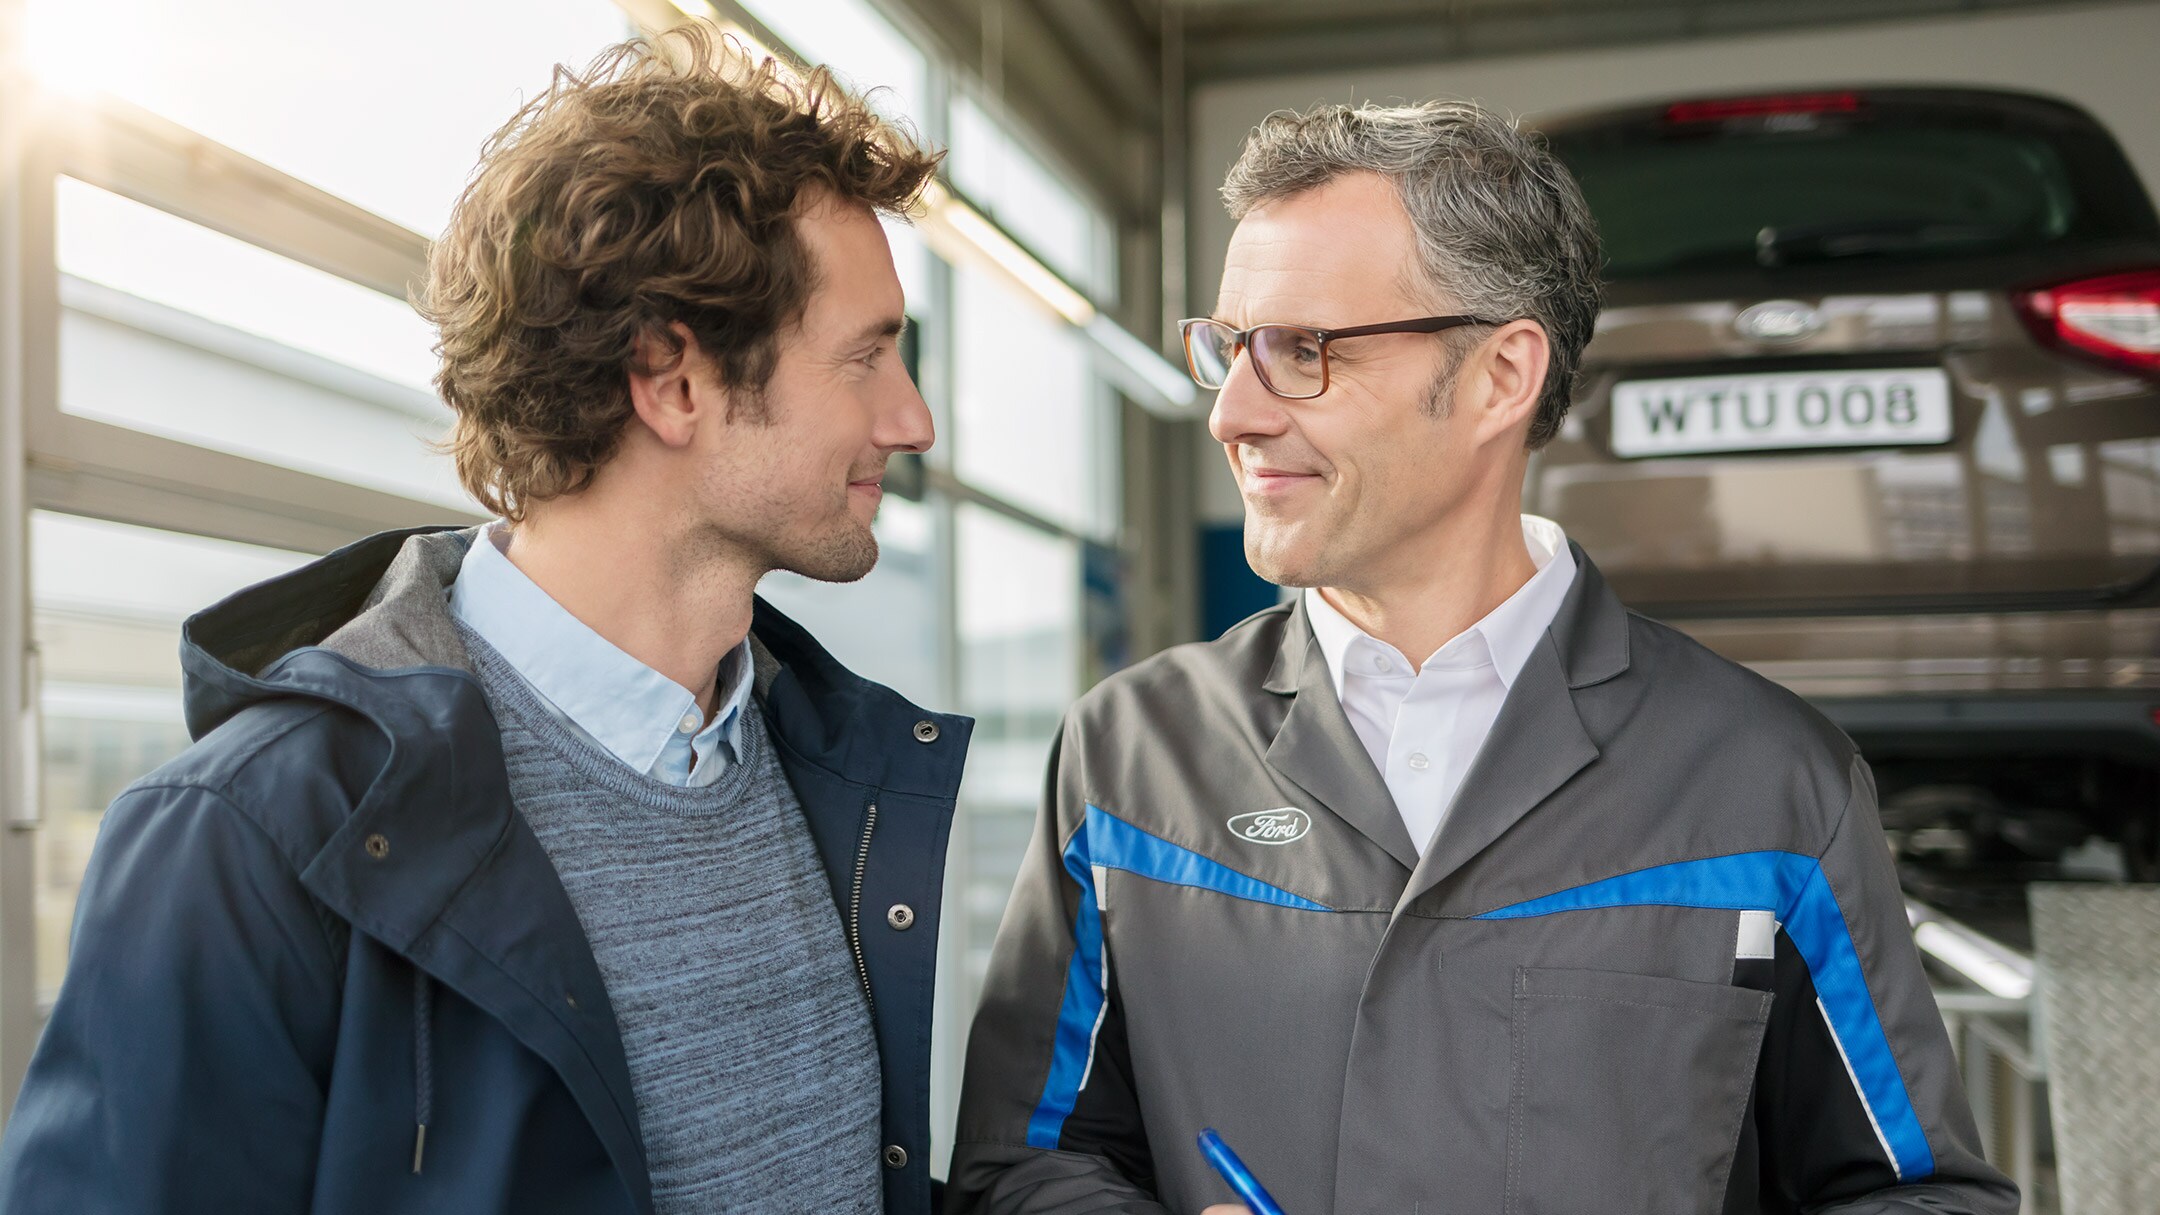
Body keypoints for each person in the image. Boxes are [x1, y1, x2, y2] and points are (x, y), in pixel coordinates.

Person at [950, 101, 2015, 1215]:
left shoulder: (1771, 786)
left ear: (1502, 377)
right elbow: (1021, 1166)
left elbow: (1921, 1196)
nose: (1233, 412)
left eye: (1302, 352)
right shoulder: (1129, 760)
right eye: (1228, 347)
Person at [0, 29, 968, 1215]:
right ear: (672, 383)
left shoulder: (829, 770)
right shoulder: (247, 840)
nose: (911, 421)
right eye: (867, 357)